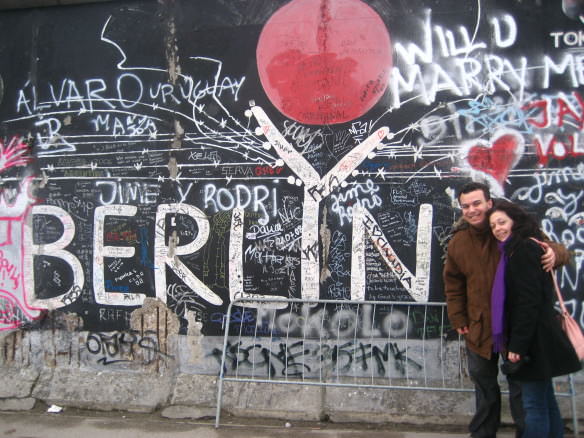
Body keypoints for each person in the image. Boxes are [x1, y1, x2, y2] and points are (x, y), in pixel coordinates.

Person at [443, 182, 570, 438]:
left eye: (477, 203)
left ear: (489, 203)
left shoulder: (506, 229)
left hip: (513, 329)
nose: (472, 210)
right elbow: (453, 283)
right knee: (484, 388)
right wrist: (458, 317)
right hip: (478, 328)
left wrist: (556, 254)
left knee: (522, 391)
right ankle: (483, 434)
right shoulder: (459, 242)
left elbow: (546, 246)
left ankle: (527, 432)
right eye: (466, 206)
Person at [487, 200, 580, 438]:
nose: (498, 228)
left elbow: (527, 302)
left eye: (502, 222)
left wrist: (517, 345)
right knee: (545, 400)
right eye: (493, 225)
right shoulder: (520, 248)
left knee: (533, 405)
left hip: (532, 341)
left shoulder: (523, 250)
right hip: (539, 336)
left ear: (515, 222)